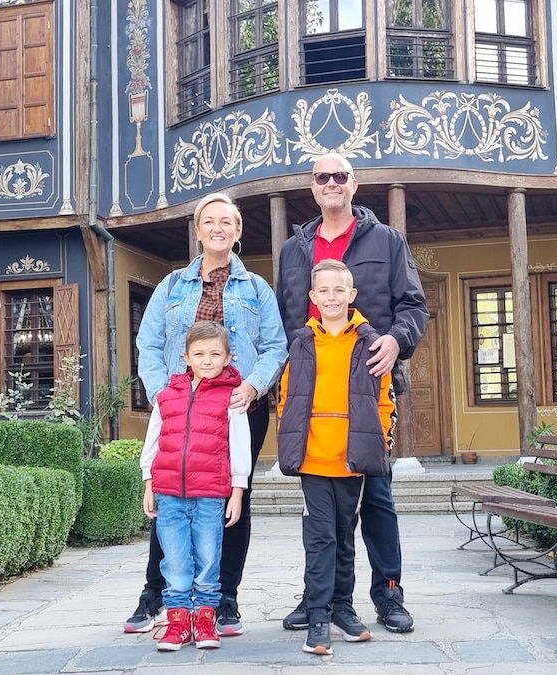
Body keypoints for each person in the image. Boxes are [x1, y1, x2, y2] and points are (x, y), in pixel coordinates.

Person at [275, 153, 428, 634]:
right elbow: (286, 320)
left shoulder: (387, 240)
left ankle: (388, 594)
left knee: (377, 498)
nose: (332, 183)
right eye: (323, 177)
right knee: (318, 511)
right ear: (313, 187)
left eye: (340, 176)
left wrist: (396, 340)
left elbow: (413, 306)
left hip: (367, 394)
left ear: (354, 184)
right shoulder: (293, 249)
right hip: (314, 404)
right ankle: (317, 596)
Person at [128, 192, 288, 636]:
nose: (218, 228)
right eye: (209, 221)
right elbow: (150, 345)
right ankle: (155, 596)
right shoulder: (171, 287)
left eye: (227, 222)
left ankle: (225, 599)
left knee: (234, 497)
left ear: (237, 232)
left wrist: (253, 384)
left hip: (239, 410)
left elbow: (276, 346)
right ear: (198, 230)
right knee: (171, 493)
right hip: (180, 408)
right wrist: (164, 395)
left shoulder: (257, 288)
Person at [277, 259, 394, 655]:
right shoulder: (302, 343)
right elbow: (288, 398)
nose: (331, 297)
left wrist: (379, 443)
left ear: (352, 295)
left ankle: (343, 608)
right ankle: (318, 616)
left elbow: (382, 401)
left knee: (345, 538)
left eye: (338, 290)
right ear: (312, 298)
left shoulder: (369, 342)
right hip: (313, 459)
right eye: (323, 291)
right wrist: (291, 438)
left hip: (352, 459)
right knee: (320, 538)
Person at [139, 321, 251, 651]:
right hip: (170, 493)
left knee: (207, 557)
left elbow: (240, 445)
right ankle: (177, 621)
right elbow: (153, 441)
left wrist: (238, 490)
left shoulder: (231, 398)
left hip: (211, 495)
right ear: (185, 357)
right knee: (173, 559)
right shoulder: (167, 397)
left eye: (215, 354)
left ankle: (204, 619)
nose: (206, 360)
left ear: (228, 357)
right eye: (199, 353)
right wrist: (149, 482)